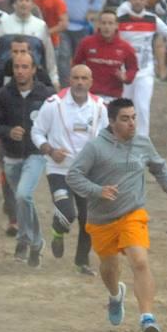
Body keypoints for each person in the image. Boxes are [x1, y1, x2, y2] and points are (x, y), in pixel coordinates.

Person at [66, 97, 167, 332]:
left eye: (134, 117)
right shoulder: (95, 148)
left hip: (132, 213)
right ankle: (115, 296)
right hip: (101, 218)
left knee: (140, 261)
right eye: (125, 119)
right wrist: (97, 190)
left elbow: (160, 167)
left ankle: (147, 317)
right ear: (112, 121)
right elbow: (73, 176)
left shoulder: (143, 143)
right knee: (109, 268)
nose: (132, 123)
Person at [31, 64, 108, 273]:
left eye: (84, 78)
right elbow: (36, 132)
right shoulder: (53, 104)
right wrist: (50, 150)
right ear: (69, 80)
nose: (80, 83)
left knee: (88, 219)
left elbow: (107, 137)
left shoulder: (100, 107)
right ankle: (58, 231)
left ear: (91, 82)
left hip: (87, 173)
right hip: (59, 170)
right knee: (67, 213)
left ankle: (82, 262)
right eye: (76, 78)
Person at [0, 51, 54, 266]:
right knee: (23, 201)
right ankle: (35, 242)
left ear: (34, 70)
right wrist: (8, 132)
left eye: (25, 67)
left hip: (36, 154)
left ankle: (25, 240)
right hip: (11, 156)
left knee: (24, 195)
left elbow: (57, 123)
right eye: (17, 67)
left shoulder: (47, 95)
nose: (20, 71)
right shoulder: (3, 95)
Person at [115, 0, 167, 139]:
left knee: (142, 106)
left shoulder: (152, 19)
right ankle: (122, 137)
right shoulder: (120, 20)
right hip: (124, 72)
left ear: (146, 1)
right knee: (123, 106)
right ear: (130, 0)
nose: (138, 1)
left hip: (145, 71)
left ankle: (142, 140)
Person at [73, 8, 138, 99]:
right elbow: (76, 63)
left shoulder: (125, 47)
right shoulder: (86, 43)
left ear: (116, 26)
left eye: (110, 23)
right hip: (89, 95)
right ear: (98, 25)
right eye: (103, 23)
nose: (107, 27)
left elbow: (133, 68)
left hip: (113, 96)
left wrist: (126, 77)